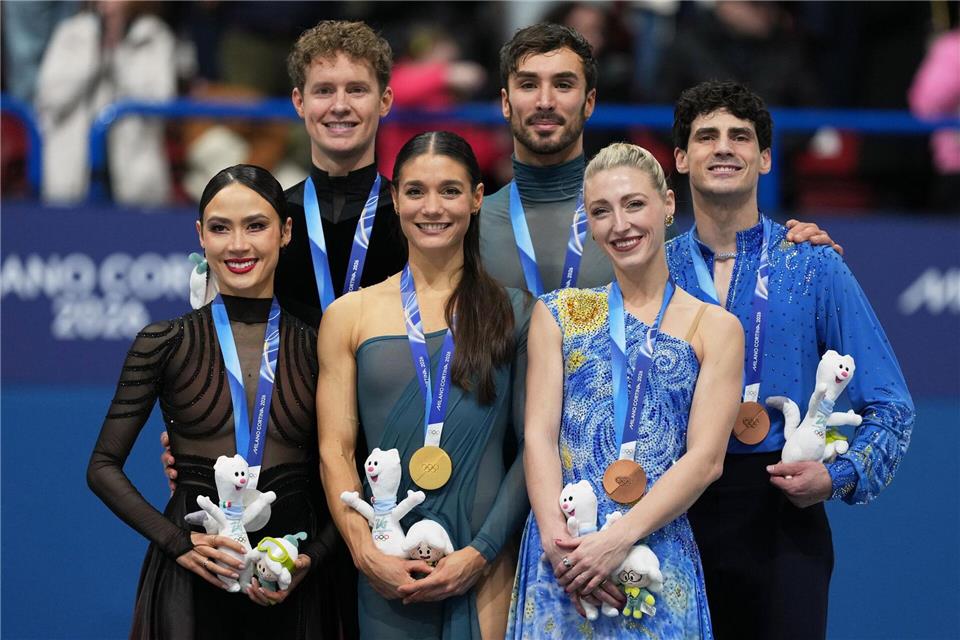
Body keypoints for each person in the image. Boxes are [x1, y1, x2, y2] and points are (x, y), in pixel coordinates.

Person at [666, 81, 915, 640]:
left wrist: (837, 474)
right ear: (680, 158)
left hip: (782, 511)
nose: (723, 147)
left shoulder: (813, 265)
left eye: (740, 136)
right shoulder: (656, 272)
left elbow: (892, 405)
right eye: (706, 136)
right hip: (673, 515)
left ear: (765, 158)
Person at [88, 165, 348, 638]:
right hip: (190, 581)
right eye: (220, 228)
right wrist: (177, 543)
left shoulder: (322, 343)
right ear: (200, 236)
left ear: (286, 231)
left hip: (293, 578)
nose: (238, 245)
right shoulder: (164, 342)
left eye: (256, 225)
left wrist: (314, 557)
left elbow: (351, 468)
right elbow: (103, 466)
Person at [509, 143, 743, 638]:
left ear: (668, 204)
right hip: (565, 560)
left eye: (634, 204)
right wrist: (558, 543)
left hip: (656, 553)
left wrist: (617, 540)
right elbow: (539, 436)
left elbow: (706, 460)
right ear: (589, 224)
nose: (620, 224)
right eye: (601, 211)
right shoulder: (557, 314)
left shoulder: (717, 328)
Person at [317, 131, 531, 639]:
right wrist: (365, 551)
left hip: (485, 566)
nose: (432, 208)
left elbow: (534, 447)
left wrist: (480, 554)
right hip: (385, 565)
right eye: (415, 191)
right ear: (394, 199)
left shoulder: (517, 312)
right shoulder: (349, 315)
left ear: (477, 198)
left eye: (450, 191)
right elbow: (334, 449)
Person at [481, 22, 841, 296]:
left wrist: (798, 255)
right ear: (505, 102)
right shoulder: (470, 227)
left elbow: (722, 289)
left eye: (563, 84)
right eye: (528, 84)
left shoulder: (644, 218)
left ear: (589, 102)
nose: (545, 101)